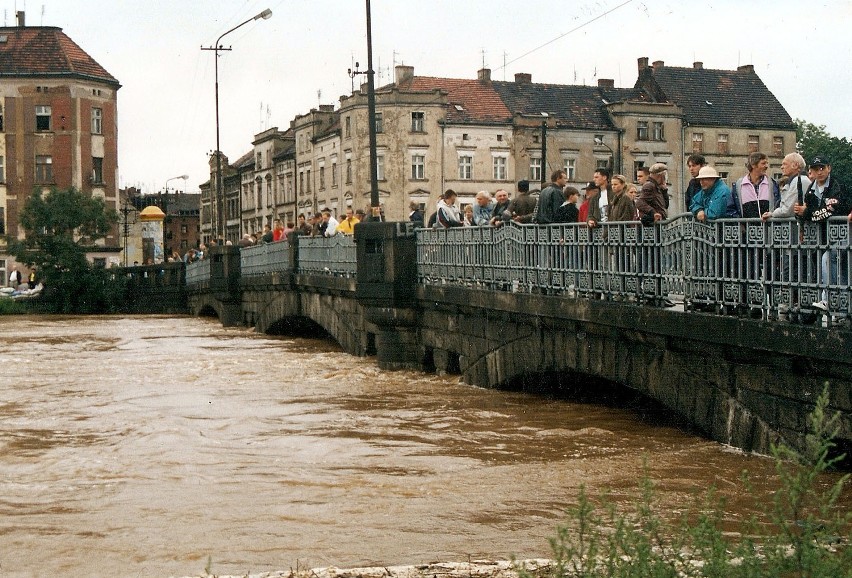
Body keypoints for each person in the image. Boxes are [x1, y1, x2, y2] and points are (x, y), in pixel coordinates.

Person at [793, 155, 852, 313]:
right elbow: (805, 213)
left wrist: (806, 212)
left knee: (829, 259)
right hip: (823, 237)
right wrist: (800, 213)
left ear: (828, 168)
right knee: (841, 272)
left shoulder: (836, 185)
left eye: (822, 168)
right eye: (815, 169)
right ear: (810, 170)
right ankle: (843, 309)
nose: (819, 172)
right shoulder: (811, 189)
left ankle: (827, 299)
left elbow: (828, 212)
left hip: (842, 234)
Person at [727, 152, 780, 218]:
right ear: (753, 165)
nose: (766, 166)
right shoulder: (738, 186)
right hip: (747, 227)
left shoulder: (773, 184)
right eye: (763, 163)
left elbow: (779, 206)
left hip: (769, 227)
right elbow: (730, 209)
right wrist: (740, 224)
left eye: (767, 163)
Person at [762, 152, 810, 221]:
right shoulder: (795, 180)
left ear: (795, 165)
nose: (781, 167)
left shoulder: (799, 181)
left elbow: (787, 211)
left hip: (797, 227)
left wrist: (772, 214)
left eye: (785, 164)